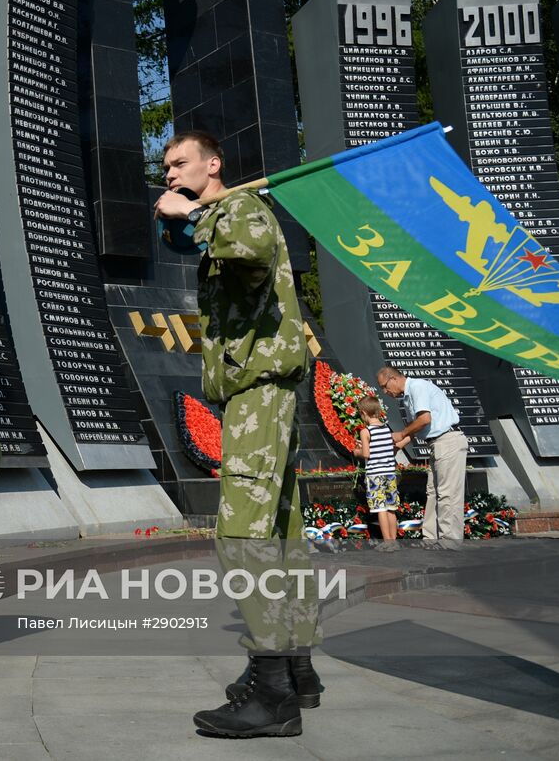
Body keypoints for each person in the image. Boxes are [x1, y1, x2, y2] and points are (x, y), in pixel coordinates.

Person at [154, 130, 322, 738]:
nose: (170, 174)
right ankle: (297, 669)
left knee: (241, 533)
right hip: (260, 393)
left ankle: (272, 692)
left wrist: (195, 211)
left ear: (213, 164)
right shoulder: (221, 214)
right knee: (281, 531)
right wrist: (183, 223)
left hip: (258, 391)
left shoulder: (239, 208)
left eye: (180, 164)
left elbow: (249, 250)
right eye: (166, 167)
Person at [376, 365, 466, 551]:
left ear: (393, 378)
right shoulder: (408, 396)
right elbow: (417, 429)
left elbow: (424, 419)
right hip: (436, 444)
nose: (385, 392)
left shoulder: (417, 387)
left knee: (448, 493)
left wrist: (400, 435)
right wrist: (394, 447)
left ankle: (450, 541)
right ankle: (431, 538)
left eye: (384, 386)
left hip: (447, 441)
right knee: (433, 492)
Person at [354, 395, 400, 552]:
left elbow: (366, 454)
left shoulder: (365, 431)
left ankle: (387, 542)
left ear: (364, 413)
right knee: (391, 508)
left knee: (380, 508)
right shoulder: (387, 428)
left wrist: (357, 451)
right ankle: (394, 541)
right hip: (390, 474)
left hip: (375, 475)